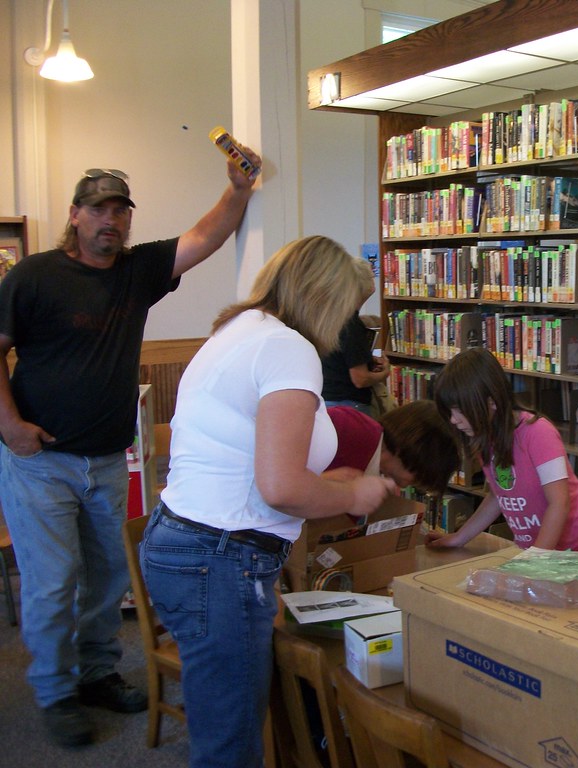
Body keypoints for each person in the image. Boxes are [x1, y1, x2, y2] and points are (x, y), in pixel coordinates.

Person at [0, 157, 260, 748]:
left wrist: (238, 189)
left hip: (107, 461)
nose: (110, 220)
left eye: (120, 210)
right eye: (99, 209)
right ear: (75, 215)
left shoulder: (137, 271)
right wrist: (10, 426)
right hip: (40, 464)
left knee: (108, 575)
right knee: (52, 582)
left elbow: (204, 237)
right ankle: (55, 691)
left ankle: (96, 674)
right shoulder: (34, 276)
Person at [140, 236, 398, 768]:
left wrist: (324, 481)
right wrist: (354, 492)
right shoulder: (288, 348)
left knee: (224, 725)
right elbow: (279, 487)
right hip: (220, 557)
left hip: (188, 544)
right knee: (231, 745)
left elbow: (253, 456)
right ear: (325, 299)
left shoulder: (242, 328)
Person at [429, 347, 578, 555]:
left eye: (459, 410)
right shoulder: (485, 437)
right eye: (450, 412)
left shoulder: (538, 432)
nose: (453, 420)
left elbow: (559, 503)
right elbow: (499, 496)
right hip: (545, 554)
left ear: (491, 401)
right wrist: (459, 538)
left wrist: (535, 560)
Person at [325, 399, 460, 495]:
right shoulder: (347, 426)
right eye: (416, 479)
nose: (404, 485)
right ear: (412, 453)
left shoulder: (374, 463)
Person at [321, 283, 390, 415]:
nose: (373, 282)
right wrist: (385, 374)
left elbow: (337, 357)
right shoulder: (350, 323)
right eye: (370, 278)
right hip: (349, 404)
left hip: (328, 399)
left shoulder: (326, 317)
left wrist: (366, 360)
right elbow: (361, 379)